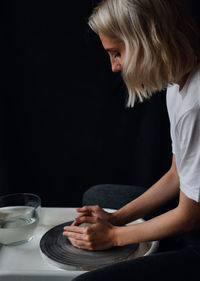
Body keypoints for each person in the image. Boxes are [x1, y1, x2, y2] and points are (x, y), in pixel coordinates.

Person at [63, 0, 200, 280]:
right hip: (191, 214)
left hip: (195, 230)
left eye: (116, 53)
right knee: (97, 196)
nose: (114, 66)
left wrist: (114, 236)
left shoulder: (195, 104)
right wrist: (115, 219)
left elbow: (189, 216)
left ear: (146, 41)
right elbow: (176, 176)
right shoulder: (178, 84)